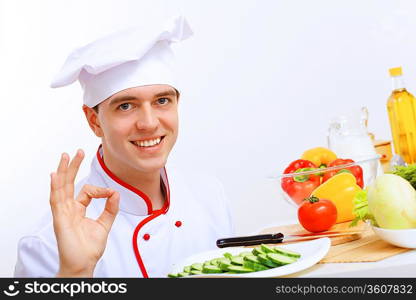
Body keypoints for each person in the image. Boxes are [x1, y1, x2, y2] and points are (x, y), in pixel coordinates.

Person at [14, 16, 234, 278]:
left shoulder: (209, 196)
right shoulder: (47, 244)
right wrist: (76, 271)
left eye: (162, 100)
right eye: (126, 106)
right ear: (94, 121)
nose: (149, 123)